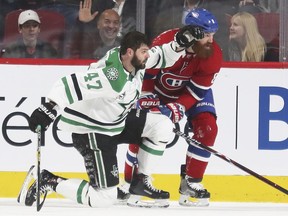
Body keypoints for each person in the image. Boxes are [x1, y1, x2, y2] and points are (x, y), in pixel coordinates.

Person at [17, 26, 205, 208]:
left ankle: (140, 181)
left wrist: (179, 43)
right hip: (93, 131)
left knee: (163, 126)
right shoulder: (112, 77)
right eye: (144, 52)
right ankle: (49, 180)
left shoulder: (132, 59)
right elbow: (70, 83)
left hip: (115, 122)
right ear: (130, 52)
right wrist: (49, 107)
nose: (148, 55)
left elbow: (161, 56)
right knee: (104, 198)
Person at [119, 8, 222, 207]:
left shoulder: (213, 54)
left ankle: (191, 182)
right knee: (143, 129)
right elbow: (145, 74)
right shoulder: (166, 42)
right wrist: (148, 100)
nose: (211, 40)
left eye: (213, 35)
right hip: (155, 90)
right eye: (207, 35)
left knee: (208, 128)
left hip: (189, 93)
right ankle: (131, 182)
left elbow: (197, 90)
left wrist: (179, 107)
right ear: (193, 34)